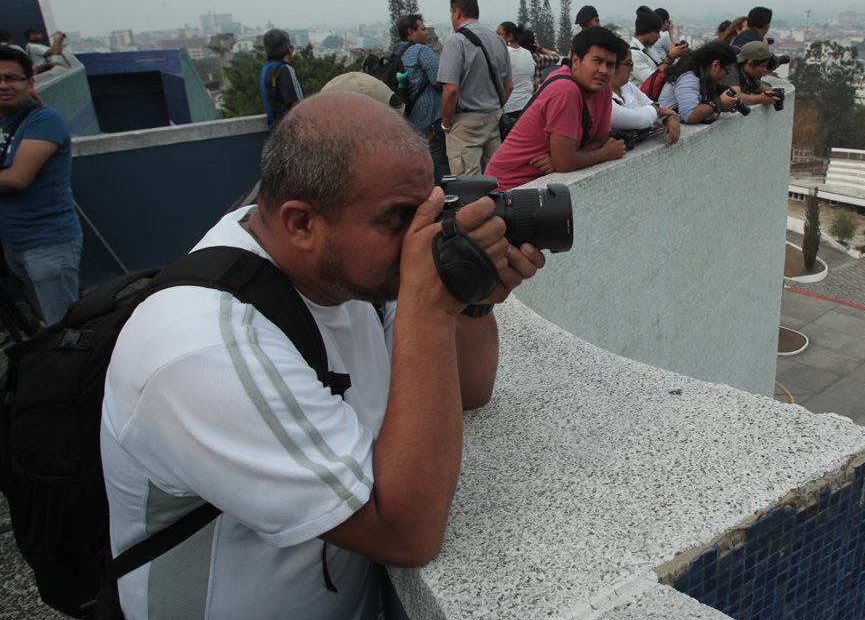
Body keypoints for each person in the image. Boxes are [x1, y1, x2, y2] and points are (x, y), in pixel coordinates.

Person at [101, 90, 545, 619]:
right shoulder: (203, 351)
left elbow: (469, 391)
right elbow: (406, 533)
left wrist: (469, 300)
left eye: (430, 209)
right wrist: (430, 309)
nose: (420, 240)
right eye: (399, 219)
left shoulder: (346, 275)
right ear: (301, 223)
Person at [484, 26, 626, 189]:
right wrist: (605, 154)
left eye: (610, 65)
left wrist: (561, 158)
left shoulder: (603, 89)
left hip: (543, 186)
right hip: (507, 188)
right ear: (576, 61)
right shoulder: (565, 90)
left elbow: (600, 139)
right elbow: (567, 162)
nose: (604, 71)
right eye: (597, 61)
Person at [0, 47, 82, 325]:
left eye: (12, 78)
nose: (3, 85)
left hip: (47, 243)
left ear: (30, 82)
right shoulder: (6, 122)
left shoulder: (45, 120)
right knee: (46, 325)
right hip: (14, 243)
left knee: (63, 329)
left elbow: (16, 178)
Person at [438, 0, 512, 176]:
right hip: (494, 118)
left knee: (468, 186)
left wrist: (446, 124)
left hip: (465, 123)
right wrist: (496, 106)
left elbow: (451, 89)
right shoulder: (498, 40)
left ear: (457, 12)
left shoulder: (456, 41)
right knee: (495, 180)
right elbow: (509, 85)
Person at [395, 13, 450, 183]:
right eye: (423, 29)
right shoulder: (422, 51)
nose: (426, 33)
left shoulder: (397, 52)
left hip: (409, 121)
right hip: (429, 118)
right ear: (411, 32)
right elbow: (439, 80)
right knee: (439, 163)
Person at [609, 40, 681, 145]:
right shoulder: (600, 96)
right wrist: (659, 110)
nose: (632, 68)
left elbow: (650, 105)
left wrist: (669, 118)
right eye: (629, 63)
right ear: (613, 65)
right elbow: (638, 119)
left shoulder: (626, 86)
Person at [657, 41, 742, 124]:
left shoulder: (704, 78)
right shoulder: (689, 78)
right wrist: (719, 103)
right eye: (727, 71)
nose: (726, 76)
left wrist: (723, 105)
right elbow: (689, 115)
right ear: (715, 65)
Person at [259, 29, 303, 128]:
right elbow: (299, 105)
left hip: (276, 127)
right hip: (290, 130)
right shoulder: (285, 69)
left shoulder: (266, 69)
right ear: (289, 49)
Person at [631, 9, 687, 86]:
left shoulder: (649, 48)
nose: (659, 36)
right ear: (647, 31)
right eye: (657, 32)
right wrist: (670, 57)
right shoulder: (633, 54)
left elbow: (660, 67)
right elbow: (652, 80)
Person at [722, 41, 784, 109]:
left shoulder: (748, 74)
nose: (765, 70)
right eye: (762, 66)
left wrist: (775, 93)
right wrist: (760, 98)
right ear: (750, 63)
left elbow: (760, 88)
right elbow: (736, 96)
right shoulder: (732, 70)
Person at [497, 22, 536, 118]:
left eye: (499, 34)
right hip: (526, 106)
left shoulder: (504, 53)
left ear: (509, 36)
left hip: (508, 107)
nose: (496, 37)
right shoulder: (528, 54)